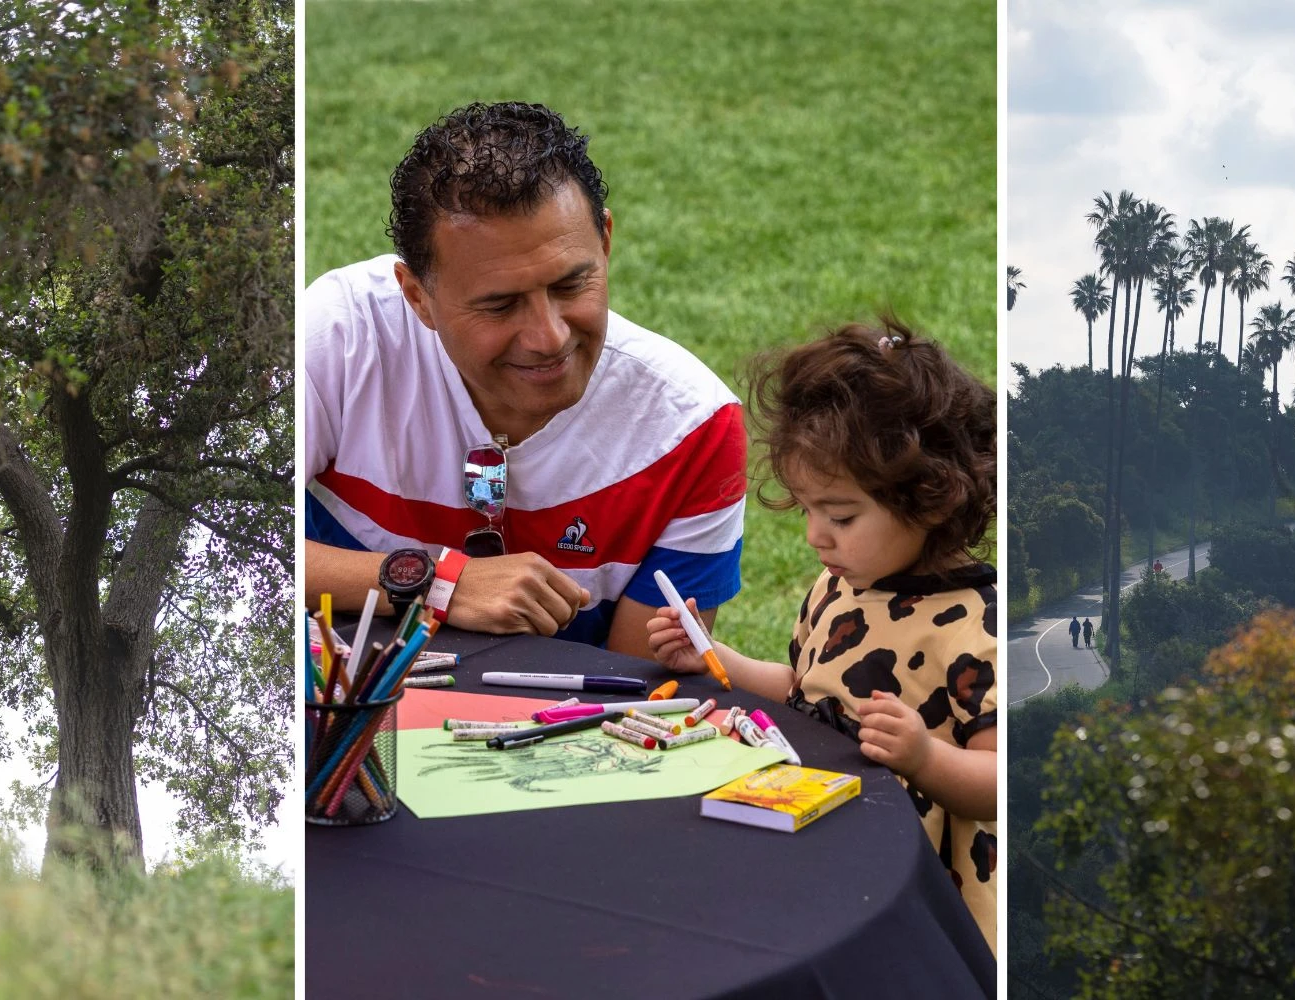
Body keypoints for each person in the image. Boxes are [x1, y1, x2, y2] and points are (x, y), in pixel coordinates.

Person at [304, 103, 746, 654]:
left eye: (570, 284)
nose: (549, 336)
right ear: (417, 295)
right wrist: (439, 582)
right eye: (500, 304)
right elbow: (246, 548)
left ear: (605, 241)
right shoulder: (343, 334)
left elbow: (639, 689)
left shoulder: (691, 427)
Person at [645, 319, 997, 949]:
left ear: (933, 499)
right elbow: (804, 689)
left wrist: (925, 757)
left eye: (840, 516)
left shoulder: (977, 628)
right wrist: (718, 659)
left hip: (914, 886)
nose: (815, 536)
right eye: (808, 511)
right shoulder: (841, 586)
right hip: (823, 835)